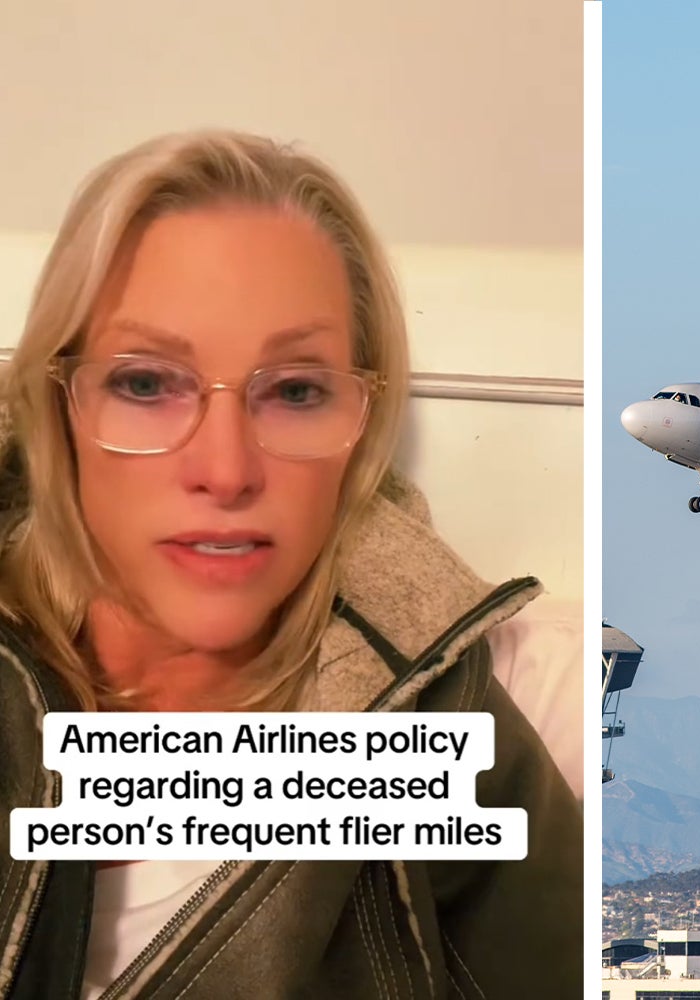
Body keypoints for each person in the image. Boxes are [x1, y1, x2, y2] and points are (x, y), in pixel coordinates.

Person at [0, 131, 581, 998]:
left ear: (363, 424)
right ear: (58, 407)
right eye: (147, 383)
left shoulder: (470, 742)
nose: (227, 471)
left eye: (296, 391)